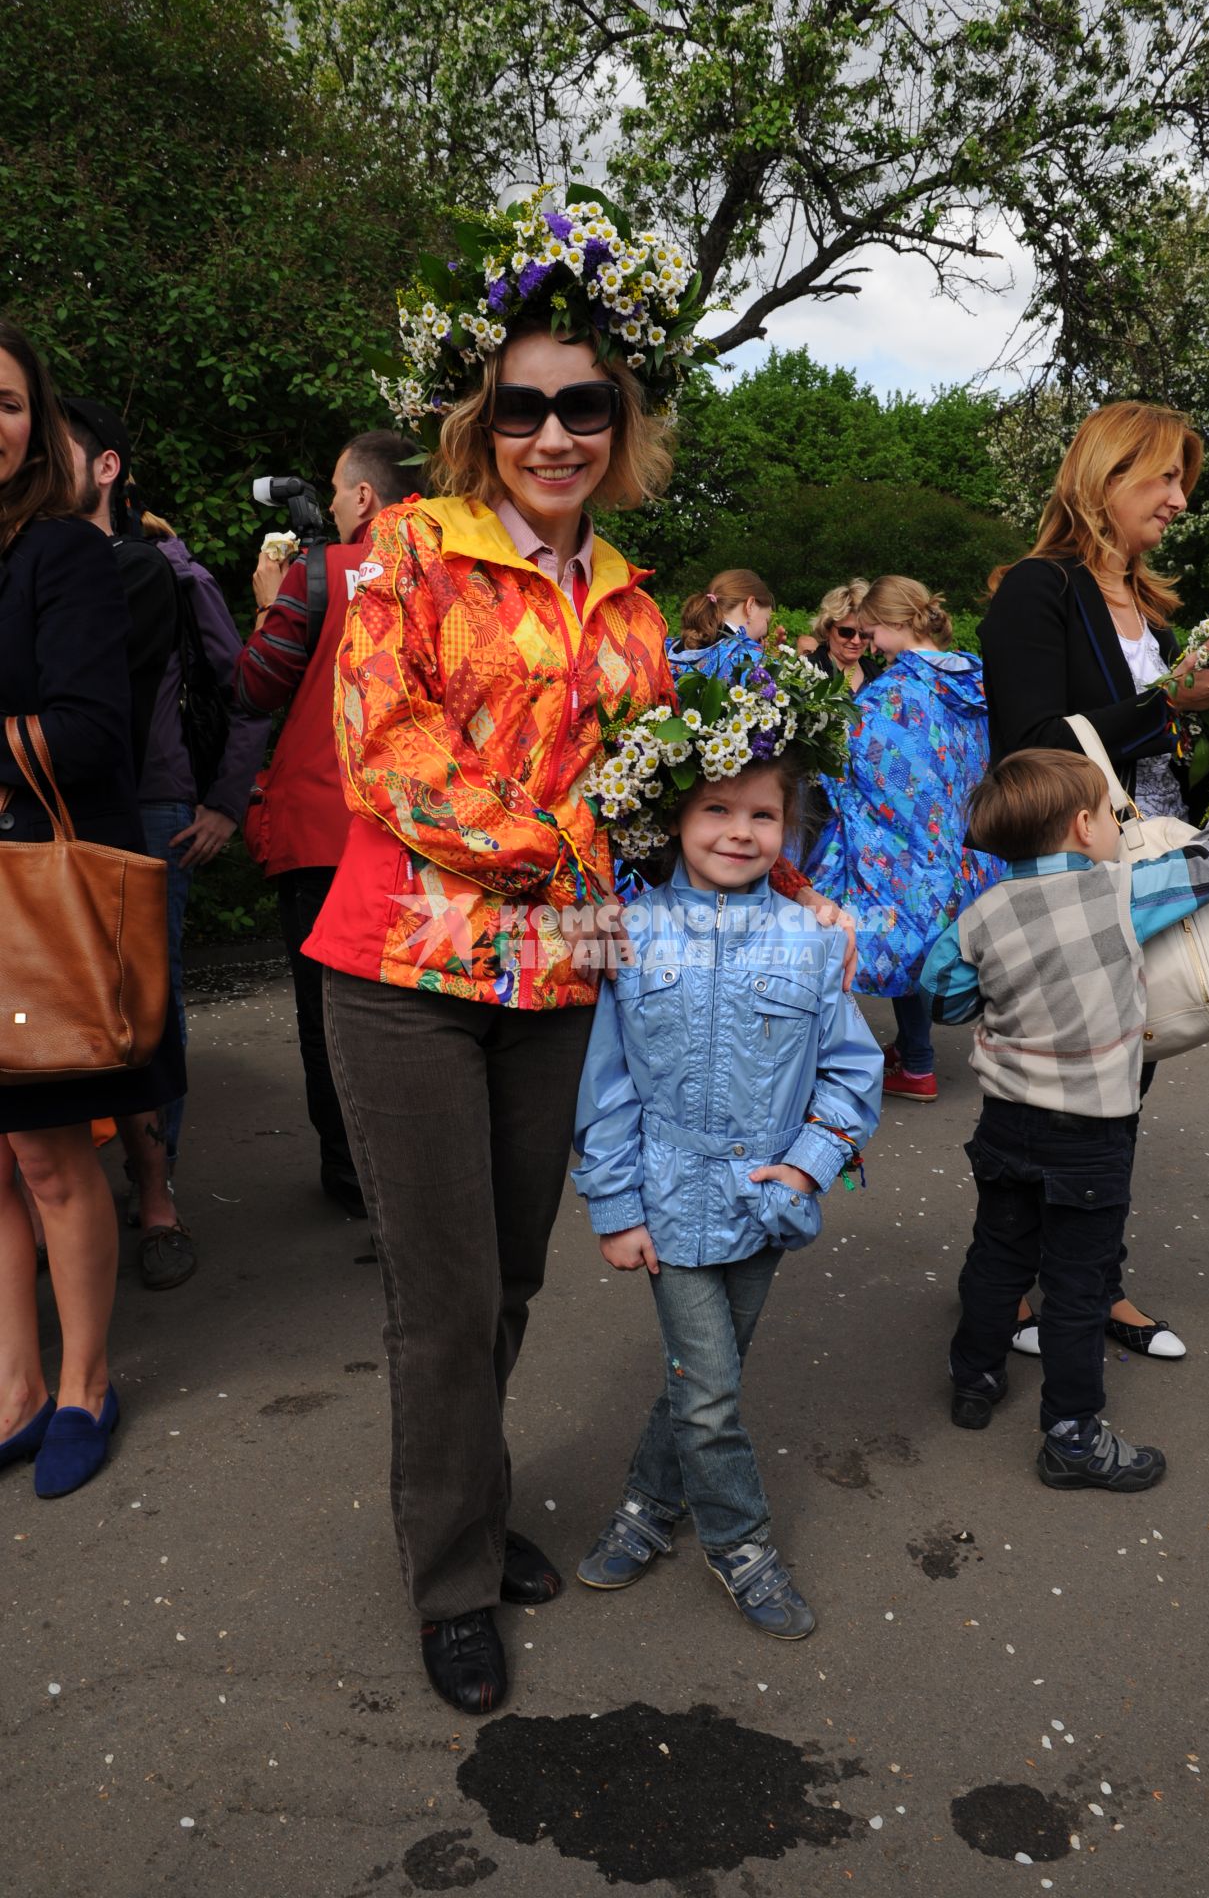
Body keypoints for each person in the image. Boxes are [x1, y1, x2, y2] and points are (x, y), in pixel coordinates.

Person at [301, 187, 852, 1714]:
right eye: (526, 405)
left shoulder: (630, 605)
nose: (555, 433)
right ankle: (450, 1577)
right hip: (405, 972)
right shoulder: (408, 545)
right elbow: (386, 758)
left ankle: (470, 1513)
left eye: (584, 406)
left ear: (622, 419)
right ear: (487, 416)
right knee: (445, 1294)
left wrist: (779, 879)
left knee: (517, 1285)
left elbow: (677, 791)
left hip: (562, 978)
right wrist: (563, 842)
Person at [571, 689, 883, 1639]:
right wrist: (616, 1208)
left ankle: (643, 1507)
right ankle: (741, 1545)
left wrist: (803, 1170)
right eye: (717, 809)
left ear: (789, 831)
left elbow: (852, 1070)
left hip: (765, 1209)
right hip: (666, 1199)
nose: (740, 831)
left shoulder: (816, 937)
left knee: (698, 1381)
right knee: (708, 1393)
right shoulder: (625, 932)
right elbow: (606, 1088)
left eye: (763, 815)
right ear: (676, 818)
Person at [923, 745, 1209, 1489]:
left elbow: (949, 999)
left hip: (1004, 1124)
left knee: (997, 1255)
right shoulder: (1118, 894)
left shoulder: (981, 914)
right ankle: (1070, 1436)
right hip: (1089, 1134)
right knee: (1078, 1283)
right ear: (1084, 825)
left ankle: (973, 1379)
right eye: (1115, 818)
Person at [980, 400, 1209, 1358]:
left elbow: (1148, 749)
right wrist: (1164, 701)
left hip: (1149, 867)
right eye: (1163, 478)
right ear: (1104, 475)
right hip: (1070, 879)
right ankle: (1010, 1292)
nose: (1177, 501)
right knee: (1059, 1094)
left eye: (1182, 484)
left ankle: (1089, 1285)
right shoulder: (1036, 590)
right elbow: (1032, 747)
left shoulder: (1147, 606)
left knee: (1125, 1083)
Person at [0, 319, 183, 1496]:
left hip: (28, 899)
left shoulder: (57, 555)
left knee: (56, 1163)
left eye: (9, 402)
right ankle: (14, 1389)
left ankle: (86, 1383)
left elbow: (92, 733)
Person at [66, 399, 267, 1288]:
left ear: (106, 467)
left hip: (152, 809)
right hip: (43, 805)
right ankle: (61, 1188)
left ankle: (155, 1194)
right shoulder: (27, 567)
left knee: (146, 1002)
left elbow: (247, 691)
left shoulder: (171, 575)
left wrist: (223, 803)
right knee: (55, 1000)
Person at [235, 431, 425, 1221]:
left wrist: (267, 601)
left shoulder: (327, 572)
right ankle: (426, 1172)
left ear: (362, 498)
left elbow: (252, 687)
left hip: (325, 830)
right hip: (430, 831)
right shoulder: (467, 572)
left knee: (329, 1015)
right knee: (421, 1013)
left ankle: (353, 1182)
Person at [806, 574, 1002, 1101]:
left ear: (893, 623)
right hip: (953, 842)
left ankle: (853, 1065)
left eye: (870, 632)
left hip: (894, 843)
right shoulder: (973, 678)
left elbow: (851, 758)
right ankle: (914, 1058)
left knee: (833, 931)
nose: (866, 642)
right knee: (921, 940)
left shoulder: (896, 689)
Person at [667, 569, 774, 683]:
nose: (764, 636)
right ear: (750, 606)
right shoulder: (748, 659)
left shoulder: (666, 648)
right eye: (767, 621)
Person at [808, 579, 879, 691]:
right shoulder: (807, 669)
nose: (856, 641)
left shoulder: (877, 673)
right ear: (827, 630)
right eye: (846, 632)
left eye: (864, 634)